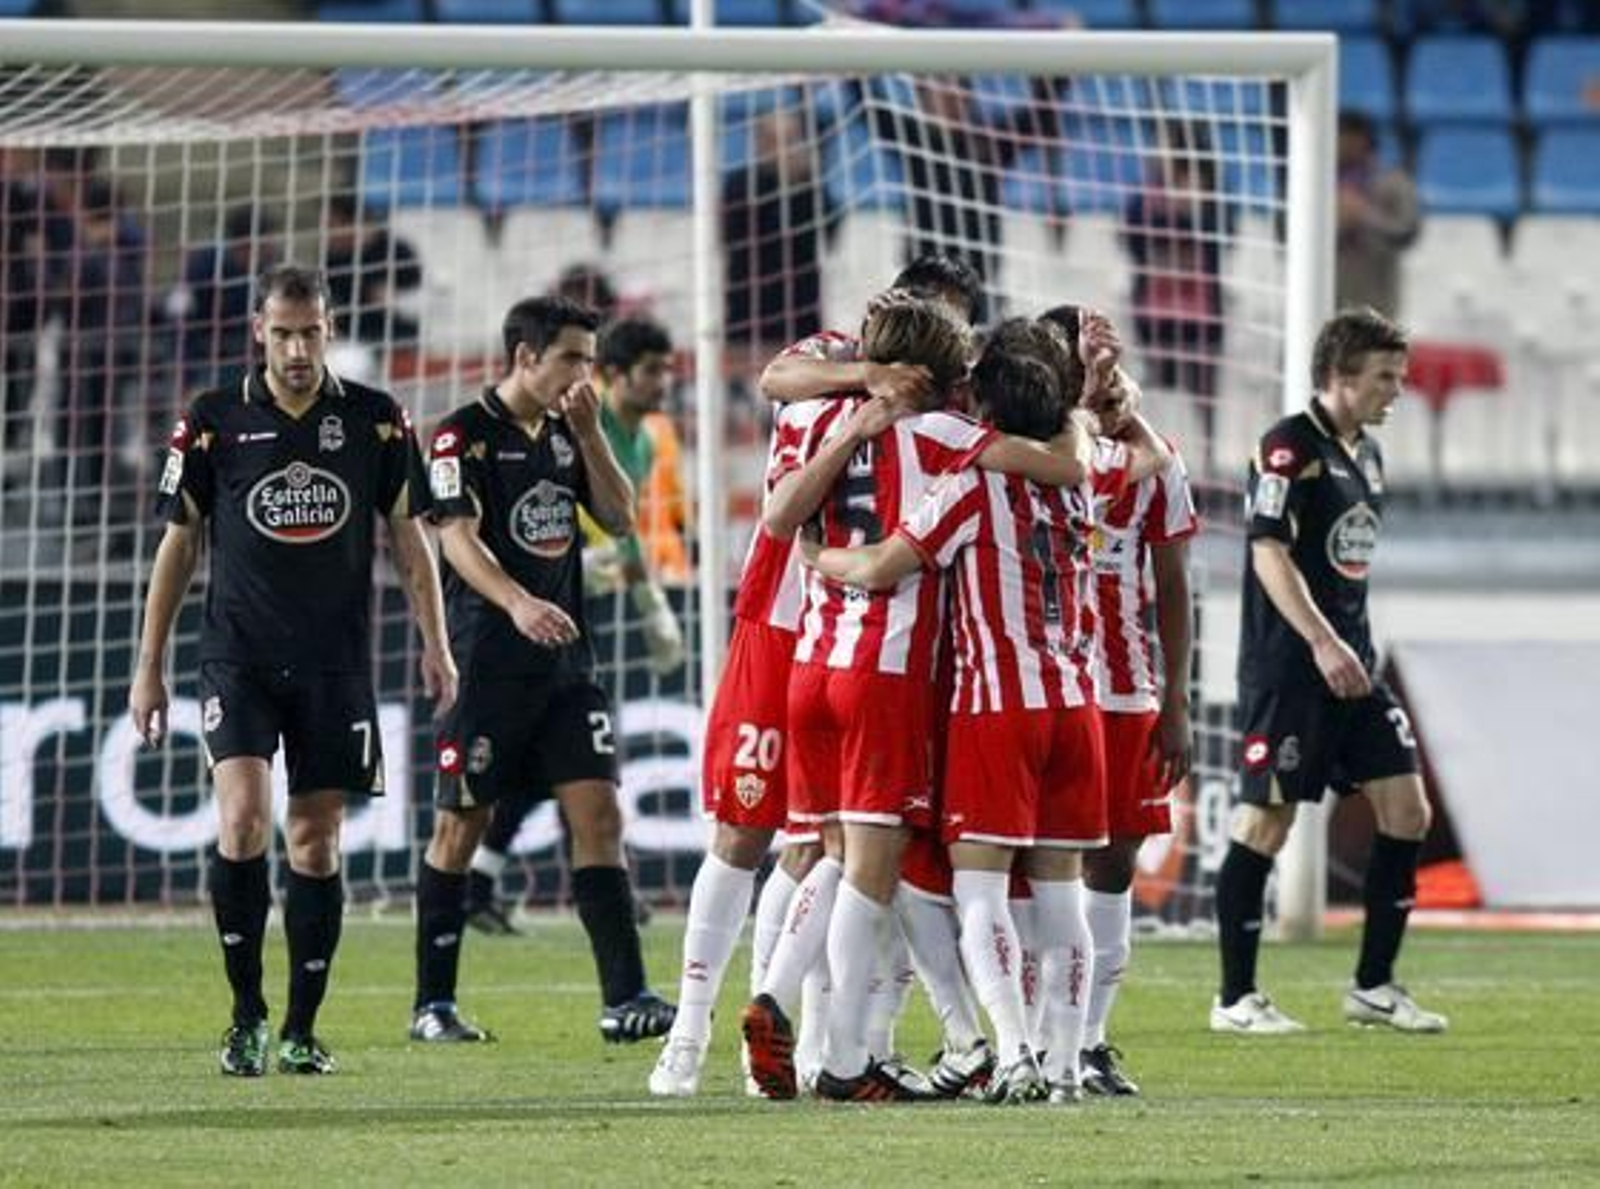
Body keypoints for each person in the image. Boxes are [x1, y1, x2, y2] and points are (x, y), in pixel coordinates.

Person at [128, 264, 457, 1077]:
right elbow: (179, 541)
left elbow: (410, 537)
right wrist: (149, 665)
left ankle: (303, 1026)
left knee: (315, 841)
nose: (298, 349)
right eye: (283, 333)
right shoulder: (214, 419)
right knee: (242, 820)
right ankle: (246, 1014)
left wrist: (436, 641)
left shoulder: (376, 420)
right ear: (258, 331)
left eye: (311, 333)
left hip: (336, 663)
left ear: (331, 329)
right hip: (236, 654)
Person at [411, 294, 676, 1046]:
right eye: (571, 357)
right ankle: (433, 1003)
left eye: (590, 360)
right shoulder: (461, 435)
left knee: (599, 813)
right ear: (526, 356)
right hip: (488, 660)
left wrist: (592, 434)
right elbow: (455, 539)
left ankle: (626, 996)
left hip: (566, 664)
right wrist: (517, 601)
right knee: (461, 823)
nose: (583, 373)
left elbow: (621, 519)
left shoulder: (571, 428)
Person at [1211, 306, 1447, 1036]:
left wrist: (1349, 647)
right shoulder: (1287, 449)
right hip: (1293, 666)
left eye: (1400, 377)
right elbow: (1267, 551)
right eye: (1385, 377)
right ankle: (1235, 999)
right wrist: (1319, 641)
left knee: (1408, 809)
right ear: (1339, 376)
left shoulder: (1366, 453)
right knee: (1265, 820)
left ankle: (1373, 986)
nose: (1397, 391)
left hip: (1353, 665)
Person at [459, 315, 685, 936]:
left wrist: (647, 600)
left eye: (668, 369)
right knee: (563, 758)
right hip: (538, 606)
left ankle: (488, 878)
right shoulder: (586, 423)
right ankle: (569, 883)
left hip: (589, 605)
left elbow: (623, 520)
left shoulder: (642, 438)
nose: (663, 382)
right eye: (651, 371)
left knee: (567, 757)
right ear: (613, 376)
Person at [1069, 324, 1199, 1097]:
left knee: (1113, 861)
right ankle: (1025, 1034)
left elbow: (1175, 584)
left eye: (1119, 378)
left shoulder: (1157, 467)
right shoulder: (1049, 453)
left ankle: (1090, 1039)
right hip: (1038, 682)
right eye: (1096, 379)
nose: (1111, 390)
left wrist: (1176, 698)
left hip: (1123, 687)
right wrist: (1104, 398)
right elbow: (1113, 458)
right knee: (1029, 862)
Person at [1122, 120, 1233, 469]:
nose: (1158, 155)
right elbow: (1134, 241)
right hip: (1155, 313)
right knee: (1154, 391)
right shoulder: (1144, 198)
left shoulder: (1213, 197)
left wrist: (1192, 208)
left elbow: (1223, 240)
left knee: (1203, 394)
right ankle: (1152, 461)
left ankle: (1207, 462)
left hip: (1202, 313)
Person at [722, 108, 839, 347]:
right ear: (760, 143)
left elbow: (827, 239)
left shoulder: (812, 189)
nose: (783, 148)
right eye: (776, 139)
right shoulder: (741, 184)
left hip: (801, 315)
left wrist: (798, 181)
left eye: (791, 140)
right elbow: (731, 238)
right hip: (747, 315)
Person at [165, 204, 280, 390]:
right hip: (205, 358)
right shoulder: (203, 267)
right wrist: (187, 381)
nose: (271, 246)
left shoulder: (271, 269)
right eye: (266, 241)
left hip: (251, 356)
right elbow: (179, 322)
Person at [1335, 110, 1420, 319]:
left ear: (1361, 139)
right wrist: (1336, 224)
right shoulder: (1312, 181)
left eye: (1344, 136)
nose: (1338, 143)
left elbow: (1407, 233)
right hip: (1326, 296)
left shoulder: (1394, 181)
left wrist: (1364, 215)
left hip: (1377, 298)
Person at [322, 192, 422, 353]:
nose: (326, 232)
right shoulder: (332, 259)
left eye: (331, 225)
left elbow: (420, 296)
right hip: (350, 344)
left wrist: (395, 297)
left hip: (397, 339)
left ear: (350, 222)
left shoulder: (396, 251)